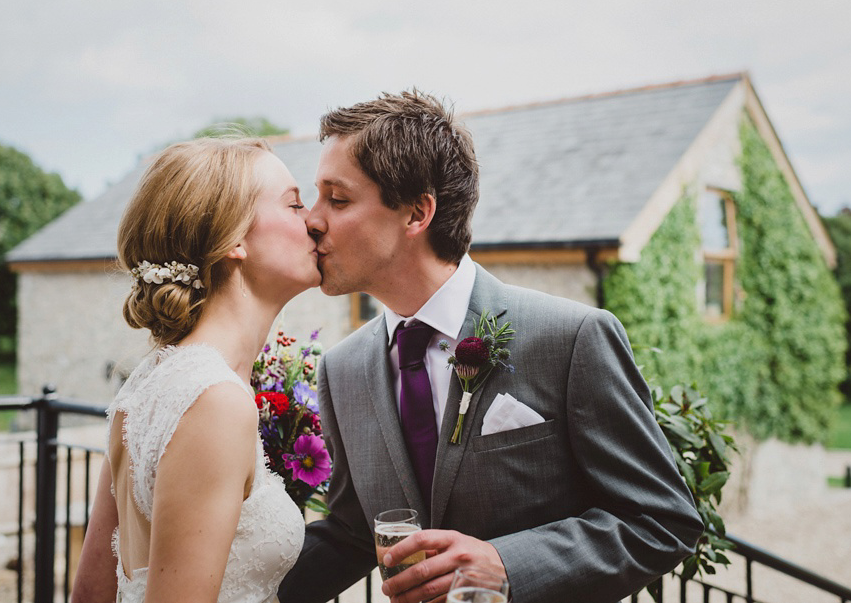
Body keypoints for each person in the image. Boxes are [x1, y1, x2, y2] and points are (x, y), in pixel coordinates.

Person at [278, 91, 704, 603]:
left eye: (337, 199)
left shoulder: (571, 339)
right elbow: (352, 530)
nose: (312, 220)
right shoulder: (341, 370)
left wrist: (508, 566)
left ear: (417, 214)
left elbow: (661, 519)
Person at [72, 136, 320, 603]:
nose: (315, 221)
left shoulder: (151, 380)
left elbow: (90, 592)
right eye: (295, 204)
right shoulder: (215, 401)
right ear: (234, 241)